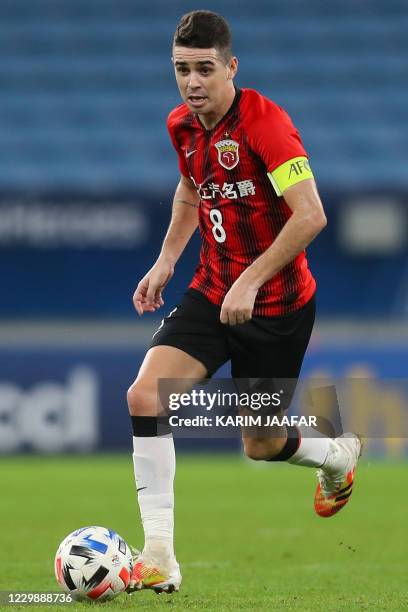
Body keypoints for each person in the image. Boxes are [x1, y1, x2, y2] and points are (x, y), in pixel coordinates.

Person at [126, 10, 361, 595]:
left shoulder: (266, 124)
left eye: (205, 69)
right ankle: (159, 554)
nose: (193, 82)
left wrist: (252, 281)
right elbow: (189, 188)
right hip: (212, 290)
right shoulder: (182, 125)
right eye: (182, 70)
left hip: (277, 306)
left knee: (260, 444)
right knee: (144, 395)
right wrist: (166, 261)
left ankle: (337, 454)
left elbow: (312, 215)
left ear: (232, 67)